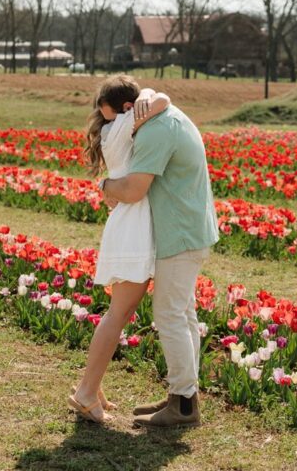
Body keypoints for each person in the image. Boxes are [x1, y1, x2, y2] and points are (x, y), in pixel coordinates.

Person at [102, 96, 219, 428]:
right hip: (189, 228)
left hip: (179, 232)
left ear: (129, 109)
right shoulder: (162, 114)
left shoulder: (155, 129)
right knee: (183, 313)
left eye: (112, 122)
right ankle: (182, 396)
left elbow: (135, 189)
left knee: (169, 314)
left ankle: (183, 406)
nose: (112, 130)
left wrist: (105, 185)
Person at [69, 75, 170, 424]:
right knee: (118, 314)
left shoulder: (112, 130)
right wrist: (151, 95)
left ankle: (93, 388)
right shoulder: (129, 121)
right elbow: (164, 103)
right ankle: (85, 392)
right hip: (135, 227)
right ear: (131, 106)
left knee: (117, 313)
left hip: (126, 223)